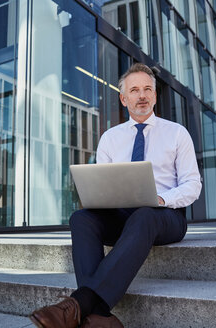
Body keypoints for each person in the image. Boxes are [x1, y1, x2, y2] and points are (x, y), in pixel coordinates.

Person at [29, 63, 202, 328]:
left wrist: (161, 200)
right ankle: (98, 317)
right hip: (122, 217)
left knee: (145, 214)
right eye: (134, 90)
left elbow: (193, 185)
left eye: (147, 89)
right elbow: (103, 184)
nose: (141, 95)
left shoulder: (177, 133)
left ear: (155, 96)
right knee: (81, 218)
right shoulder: (110, 138)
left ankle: (79, 306)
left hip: (166, 218)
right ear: (124, 98)